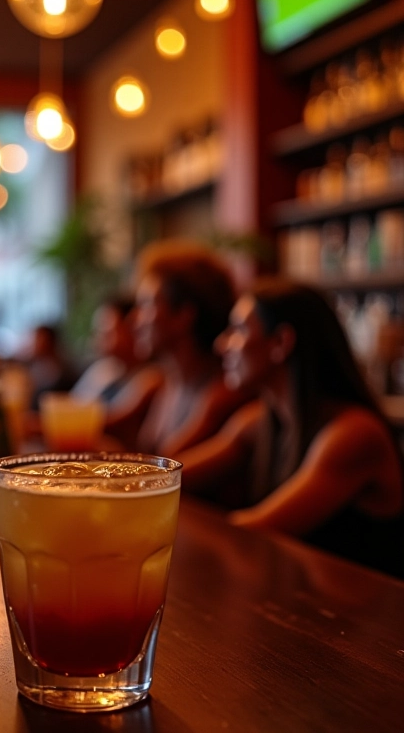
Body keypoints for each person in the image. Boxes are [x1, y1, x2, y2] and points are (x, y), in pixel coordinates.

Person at [178, 278, 404, 578]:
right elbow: (170, 481)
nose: (221, 345)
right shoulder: (257, 422)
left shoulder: (353, 435)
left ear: (281, 343)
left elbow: (252, 534)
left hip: (368, 619)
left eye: (238, 330)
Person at [132, 240, 250, 455]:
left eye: (148, 305)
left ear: (184, 316)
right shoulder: (166, 384)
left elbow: (160, 476)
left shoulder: (220, 395)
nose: (135, 319)